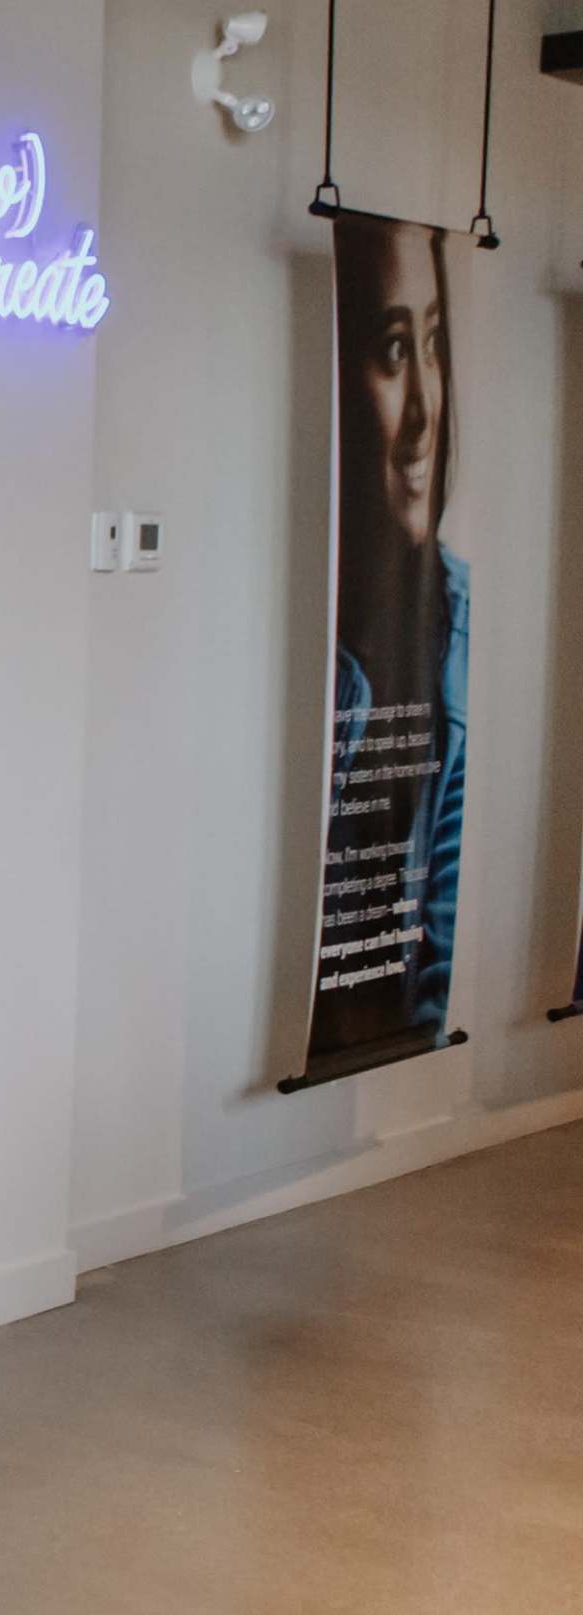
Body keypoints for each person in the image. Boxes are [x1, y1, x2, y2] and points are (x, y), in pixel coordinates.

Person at [314, 218, 467, 1058]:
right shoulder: (317, 647)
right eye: (393, 349)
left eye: (435, 343)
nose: (423, 412)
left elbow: (436, 967)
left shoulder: (458, 627)